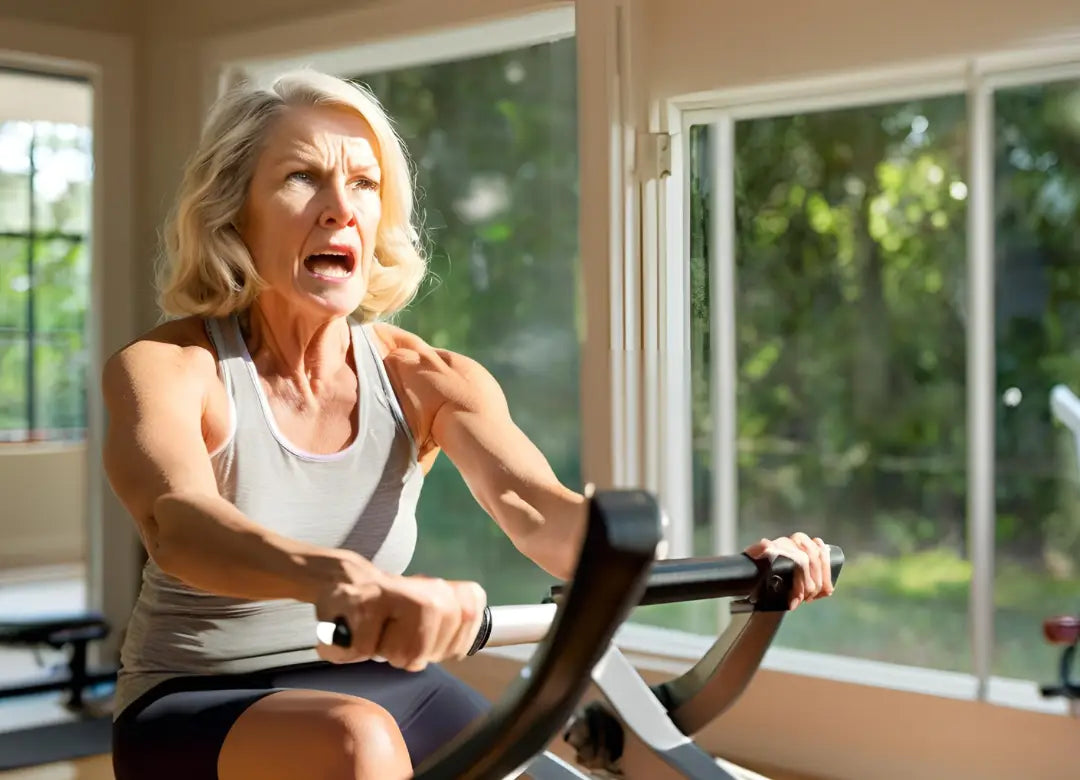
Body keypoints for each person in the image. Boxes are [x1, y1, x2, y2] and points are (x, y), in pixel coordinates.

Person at [102, 69, 835, 780]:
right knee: (358, 745)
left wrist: (745, 567)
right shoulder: (169, 367)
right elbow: (179, 524)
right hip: (197, 695)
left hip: (379, 684)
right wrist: (347, 581)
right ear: (235, 212)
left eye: (363, 183)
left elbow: (542, 517)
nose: (339, 208)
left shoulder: (424, 377)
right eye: (302, 178)